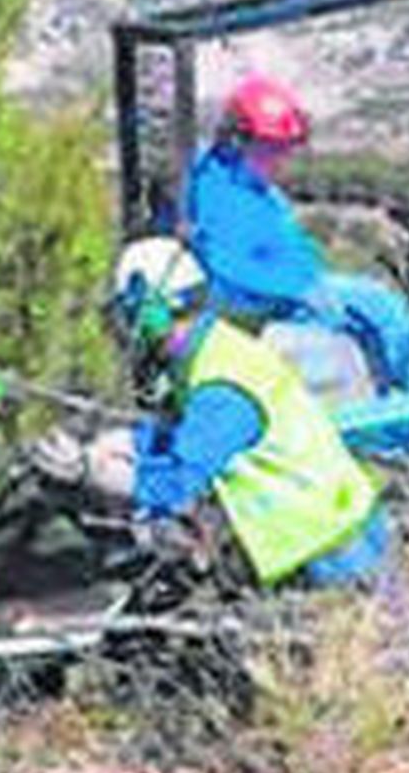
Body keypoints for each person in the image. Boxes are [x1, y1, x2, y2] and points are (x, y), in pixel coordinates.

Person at [53, 235, 390, 589]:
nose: (124, 330)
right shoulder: (212, 351)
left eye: (129, 314)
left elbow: (176, 486)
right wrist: (134, 442)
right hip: (330, 533)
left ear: (152, 313)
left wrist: (89, 472)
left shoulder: (220, 387)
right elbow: (194, 437)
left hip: (329, 551)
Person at [181, 73, 409, 394]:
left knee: (384, 308)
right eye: (271, 148)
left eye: (285, 149)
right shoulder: (216, 193)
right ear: (238, 141)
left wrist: (309, 282)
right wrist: (299, 290)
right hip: (263, 306)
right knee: (379, 312)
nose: (281, 159)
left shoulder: (256, 188)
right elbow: (227, 268)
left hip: (288, 295)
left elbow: (289, 247)